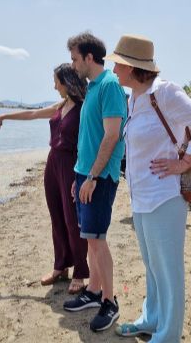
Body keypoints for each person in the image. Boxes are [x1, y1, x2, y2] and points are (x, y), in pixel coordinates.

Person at [106, 34, 191, 342]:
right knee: (153, 267)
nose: (114, 70)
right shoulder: (134, 98)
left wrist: (184, 162)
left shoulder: (164, 92)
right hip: (141, 197)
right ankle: (151, 319)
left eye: (118, 64)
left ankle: (167, 335)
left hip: (164, 197)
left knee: (169, 273)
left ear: (132, 67)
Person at [0, 63, 89, 294]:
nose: (54, 86)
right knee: (56, 215)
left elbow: (91, 141)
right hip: (53, 162)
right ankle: (61, 266)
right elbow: (32, 114)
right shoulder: (61, 105)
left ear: (66, 82)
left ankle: (81, 272)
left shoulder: (83, 107)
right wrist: (4, 115)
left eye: (56, 81)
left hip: (72, 164)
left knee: (72, 219)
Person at [61, 32, 127, 333]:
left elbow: (112, 136)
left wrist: (91, 177)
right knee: (90, 237)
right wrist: (79, 174)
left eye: (75, 59)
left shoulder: (110, 86)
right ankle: (94, 291)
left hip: (99, 177)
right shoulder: (92, 88)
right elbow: (90, 137)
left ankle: (110, 302)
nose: (73, 65)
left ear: (89, 57)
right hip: (85, 174)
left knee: (98, 241)